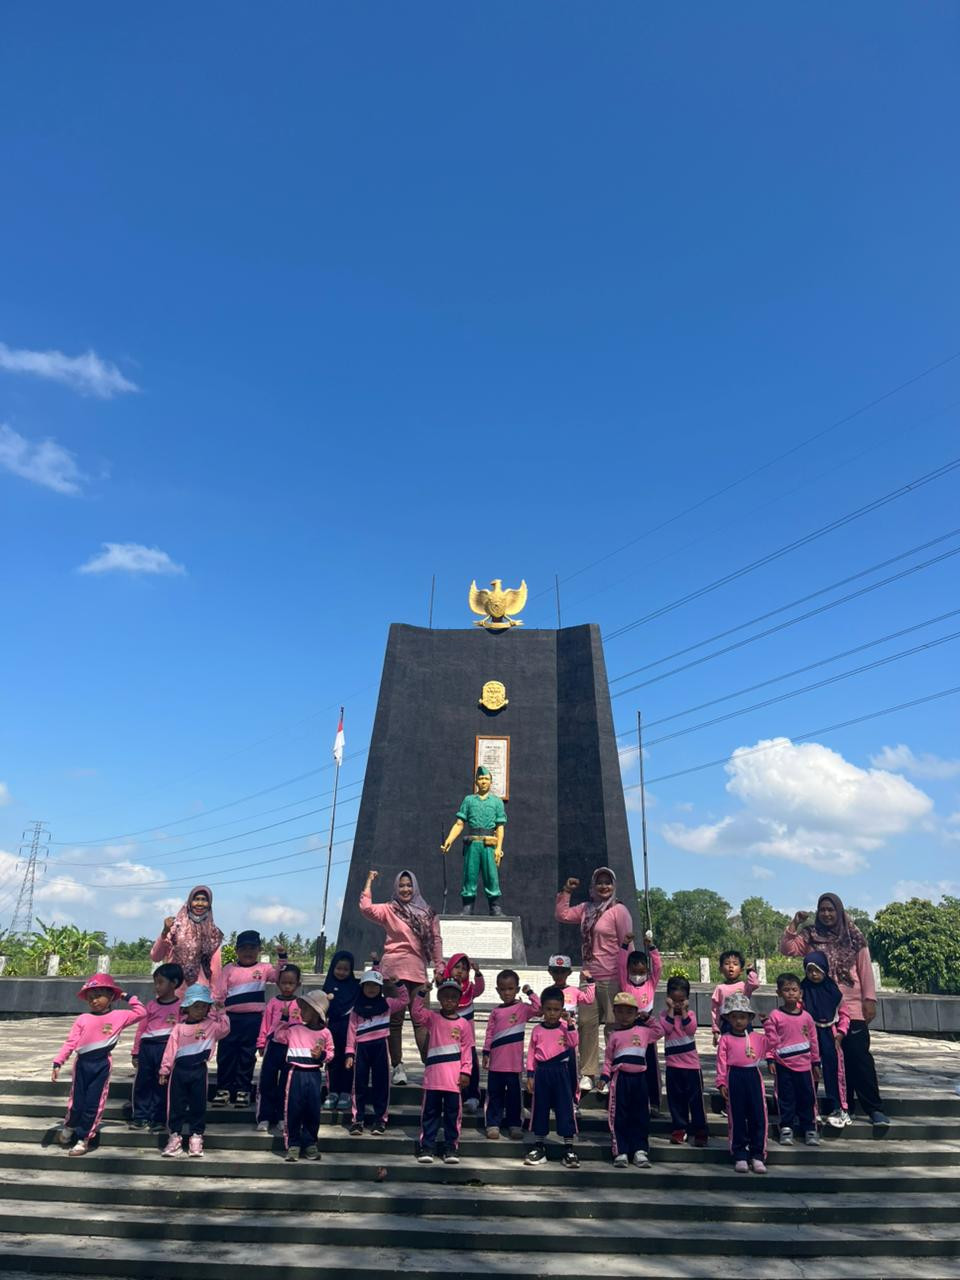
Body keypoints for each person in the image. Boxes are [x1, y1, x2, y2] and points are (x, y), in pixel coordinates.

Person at [780, 893, 889, 1129]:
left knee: (859, 1059)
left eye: (831, 909)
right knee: (829, 1062)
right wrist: (795, 923)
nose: (827, 914)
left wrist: (869, 999)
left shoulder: (853, 935)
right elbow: (787, 948)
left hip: (852, 1005)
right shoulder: (811, 935)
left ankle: (874, 1108)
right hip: (820, 1010)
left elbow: (864, 968)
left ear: (839, 911)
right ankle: (840, 1106)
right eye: (823, 910)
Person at [555, 867, 633, 1094]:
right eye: (599, 882)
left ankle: (610, 1073)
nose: (604, 886)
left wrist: (629, 980)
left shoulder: (619, 911)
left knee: (612, 1026)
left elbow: (626, 945)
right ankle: (588, 1073)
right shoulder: (586, 909)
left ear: (614, 885)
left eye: (608, 882)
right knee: (586, 1026)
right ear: (593, 886)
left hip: (612, 977)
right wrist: (566, 891)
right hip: (589, 976)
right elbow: (562, 915)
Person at [359, 868, 443, 1082]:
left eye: (409, 885)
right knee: (394, 1022)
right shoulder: (390, 909)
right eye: (401, 885)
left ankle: (430, 1066)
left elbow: (435, 940)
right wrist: (369, 881)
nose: (405, 889)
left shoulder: (428, 913)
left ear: (415, 887)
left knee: (421, 1020)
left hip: (417, 971)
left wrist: (440, 966)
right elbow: (365, 908)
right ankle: (398, 1067)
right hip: (393, 972)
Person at [52, 974, 146, 1157]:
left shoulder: (120, 1016)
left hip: (101, 1064)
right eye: (90, 997)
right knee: (76, 1101)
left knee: (93, 1104)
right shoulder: (83, 1019)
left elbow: (142, 1012)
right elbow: (70, 1042)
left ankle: (83, 1138)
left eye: (99, 995)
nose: (94, 1000)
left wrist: (125, 995)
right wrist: (58, 1061)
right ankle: (70, 1126)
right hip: (82, 1064)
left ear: (111, 997)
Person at [211, 930, 288, 1109]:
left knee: (247, 1056)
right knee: (226, 1055)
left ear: (259, 950)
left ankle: (242, 1090)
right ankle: (223, 1089)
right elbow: (219, 994)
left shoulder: (264, 969)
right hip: (230, 1019)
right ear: (237, 951)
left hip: (253, 1020)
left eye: (252, 948)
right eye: (243, 948)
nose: (248, 952)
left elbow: (279, 976)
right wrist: (217, 1015)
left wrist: (282, 956)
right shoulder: (229, 969)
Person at [159, 983, 229, 1157]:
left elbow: (225, 1029)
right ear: (187, 1007)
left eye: (204, 1007)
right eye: (196, 1006)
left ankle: (196, 1136)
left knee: (198, 1105)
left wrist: (221, 1011)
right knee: (176, 1105)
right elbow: (170, 1050)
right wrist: (164, 1070)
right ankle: (174, 1137)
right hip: (179, 1071)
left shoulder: (211, 1026)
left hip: (199, 1070)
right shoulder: (179, 1028)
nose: (200, 1010)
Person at [411, 979, 474, 1164]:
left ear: (458, 1000)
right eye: (445, 997)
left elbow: (467, 1050)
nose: (449, 1001)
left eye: (453, 997)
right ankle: (427, 1146)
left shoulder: (463, 1024)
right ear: (439, 998)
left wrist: (466, 1072)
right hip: (433, 1078)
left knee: (452, 1115)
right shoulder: (433, 1018)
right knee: (430, 1114)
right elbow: (416, 1013)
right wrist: (422, 993)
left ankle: (451, 1147)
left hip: (453, 1080)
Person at [600, 992, 663, 1169]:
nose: (624, 1016)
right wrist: (604, 1077)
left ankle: (640, 1150)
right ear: (614, 1013)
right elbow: (608, 1059)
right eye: (620, 1012)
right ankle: (620, 1151)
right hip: (620, 1079)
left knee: (641, 1115)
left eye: (629, 1012)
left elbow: (660, 1032)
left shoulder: (643, 1031)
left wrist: (648, 1018)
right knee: (619, 1115)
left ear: (636, 1013)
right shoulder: (614, 1035)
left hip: (640, 1079)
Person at [344, 970, 409, 1135]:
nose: (372, 989)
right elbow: (351, 1031)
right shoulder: (356, 1009)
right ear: (362, 987)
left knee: (382, 1084)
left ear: (380, 988)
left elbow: (404, 1001)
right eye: (368, 985)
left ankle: (380, 1119)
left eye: (375, 985)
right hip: (362, 1049)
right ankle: (358, 1120)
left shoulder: (387, 1004)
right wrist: (349, 1053)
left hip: (380, 1046)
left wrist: (399, 984)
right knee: (359, 1084)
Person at [524, 986, 580, 1169]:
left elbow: (574, 1043)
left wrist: (570, 1023)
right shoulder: (537, 1030)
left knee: (565, 1109)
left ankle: (569, 1148)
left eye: (556, 1010)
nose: (552, 1013)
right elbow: (532, 1054)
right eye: (548, 1009)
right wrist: (530, 1075)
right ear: (543, 1009)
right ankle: (539, 1146)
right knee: (540, 1109)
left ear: (562, 1009)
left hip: (561, 1072)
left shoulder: (566, 1028)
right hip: (542, 1073)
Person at [274, 990, 334, 1162]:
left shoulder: (325, 1033)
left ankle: (310, 1143)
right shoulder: (294, 1029)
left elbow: (331, 1053)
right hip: (295, 1073)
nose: (301, 1012)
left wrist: (321, 1055)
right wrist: (284, 1020)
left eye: (306, 1009)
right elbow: (278, 1037)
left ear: (316, 1013)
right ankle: (293, 1143)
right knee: (293, 1108)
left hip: (314, 1074)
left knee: (312, 1110)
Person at [440, 765, 507, 916]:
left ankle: (495, 907)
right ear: (476, 781)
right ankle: (467, 907)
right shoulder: (469, 800)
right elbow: (459, 823)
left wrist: (498, 848)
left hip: (489, 844)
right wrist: (449, 840)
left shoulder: (497, 802)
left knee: (491, 875)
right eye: (481, 778)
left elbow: (500, 827)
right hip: (472, 844)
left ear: (491, 782)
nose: (483, 781)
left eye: (486, 779)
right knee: (470, 875)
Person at [482, 968, 541, 1140]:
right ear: (497, 990)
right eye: (503, 989)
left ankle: (515, 1124)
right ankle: (493, 1123)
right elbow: (489, 1033)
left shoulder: (522, 1008)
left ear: (516, 989)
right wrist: (486, 1052)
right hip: (495, 1064)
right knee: (494, 1096)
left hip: (514, 1065)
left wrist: (530, 992)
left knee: (515, 1097)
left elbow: (539, 1009)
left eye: (510, 989)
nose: (506, 992)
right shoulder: (495, 1012)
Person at [765, 973, 821, 1147]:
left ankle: (810, 1129)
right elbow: (770, 1039)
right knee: (785, 1098)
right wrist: (770, 1059)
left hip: (804, 1067)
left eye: (794, 990)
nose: (791, 993)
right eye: (786, 990)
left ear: (801, 993)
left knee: (807, 1098)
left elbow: (813, 1040)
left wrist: (815, 1062)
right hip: (783, 1066)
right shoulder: (775, 1016)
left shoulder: (807, 1018)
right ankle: (786, 1127)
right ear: (779, 993)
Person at [715, 993, 767, 1174]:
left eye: (743, 1017)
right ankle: (739, 1154)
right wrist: (721, 1082)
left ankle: (758, 1154)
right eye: (734, 1017)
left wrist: (768, 1024)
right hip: (734, 1076)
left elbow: (774, 1043)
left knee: (758, 1115)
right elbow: (721, 1061)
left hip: (753, 1076)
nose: (738, 1021)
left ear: (749, 1018)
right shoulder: (726, 1039)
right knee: (736, 1116)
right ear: (728, 1018)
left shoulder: (758, 1038)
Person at [130, 962, 184, 1132]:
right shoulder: (151, 1006)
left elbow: (184, 1029)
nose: (157, 987)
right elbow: (141, 1029)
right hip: (148, 1048)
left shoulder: (182, 1007)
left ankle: (159, 1117)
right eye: (155, 982)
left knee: (164, 1083)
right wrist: (136, 1052)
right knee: (143, 1082)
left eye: (160, 982)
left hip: (167, 1049)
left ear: (174, 983)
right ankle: (140, 1116)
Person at [801, 950, 851, 1128]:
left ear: (824, 970)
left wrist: (841, 1032)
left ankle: (837, 1107)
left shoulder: (833, 991)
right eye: (810, 971)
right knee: (809, 1071)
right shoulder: (802, 990)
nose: (814, 974)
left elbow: (844, 1014)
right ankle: (809, 1108)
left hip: (830, 1034)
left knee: (834, 1072)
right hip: (810, 1035)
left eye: (817, 970)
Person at [658, 975, 708, 1147]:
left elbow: (691, 1029)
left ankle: (700, 1129)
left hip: (691, 1066)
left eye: (681, 1000)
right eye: (674, 1000)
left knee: (696, 1100)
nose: (678, 1003)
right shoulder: (664, 1015)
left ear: (687, 999)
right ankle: (680, 1128)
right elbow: (666, 1029)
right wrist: (672, 1011)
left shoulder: (691, 1015)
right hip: (673, 1066)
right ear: (668, 998)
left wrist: (684, 1011)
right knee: (676, 1099)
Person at [616, 929, 662, 1110]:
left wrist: (651, 947)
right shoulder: (625, 983)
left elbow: (658, 965)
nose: (637, 974)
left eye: (641, 971)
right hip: (628, 1028)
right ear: (628, 971)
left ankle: (654, 1102)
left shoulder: (651, 982)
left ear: (646, 970)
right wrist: (625, 945)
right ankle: (629, 1100)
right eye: (633, 971)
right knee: (629, 1064)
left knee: (650, 1064)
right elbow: (620, 964)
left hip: (647, 1028)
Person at [255, 964, 302, 1133]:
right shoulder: (273, 1003)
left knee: (286, 1084)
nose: (287, 986)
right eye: (284, 983)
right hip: (273, 1046)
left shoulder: (300, 1004)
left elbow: (304, 1026)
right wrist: (261, 1043)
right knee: (267, 1082)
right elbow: (265, 1024)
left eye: (291, 983)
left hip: (291, 1048)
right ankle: (265, 1117)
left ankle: (282, 1116)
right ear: (278, 984)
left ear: (298, 984)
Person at [150, 885, 223, 989]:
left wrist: (216, 996)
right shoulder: (174, 927)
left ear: (209, 903)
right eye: (196, 899)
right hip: (173, 991)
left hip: (200, 995)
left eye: (204, 900)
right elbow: (156, 957)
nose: (200, 903)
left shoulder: (213, 933)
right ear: (190, 902)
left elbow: (216, 969)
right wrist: (165, 931)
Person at [441, 952, 485, 1113]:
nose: (460, 971)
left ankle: (473, 1096)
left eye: (464, 969)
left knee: (471, 1068)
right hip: (450, 1042)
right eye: (456, 967)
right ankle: (454, 1096)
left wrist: (478, 973)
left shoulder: (470, 989)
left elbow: (480, 989)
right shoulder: (445, 989)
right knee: (453, 1070)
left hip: (469, 1041)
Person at [322, 949, 360, 1112]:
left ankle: (345, 1092)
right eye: (338, 968)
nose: (342, 972)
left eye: (346, 969)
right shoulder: (328, 985)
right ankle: (333, 1092)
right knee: (333, 1060)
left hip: (349, 1029)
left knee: (348, 1060)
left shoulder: (355, 987)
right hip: (332, 1028)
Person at [710, 950, 760, 1043]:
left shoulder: (744, 986)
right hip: (727, 1023)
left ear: (741, 970)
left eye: (735, 964)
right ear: (721, 969)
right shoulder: (720, 988)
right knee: (728, 1046)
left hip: (745, 1022)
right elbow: (715, 1010)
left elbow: (755, 984)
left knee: (747, 1045)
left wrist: (751, 972)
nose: (731, 966)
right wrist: (715, 1030)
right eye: (727, 963)